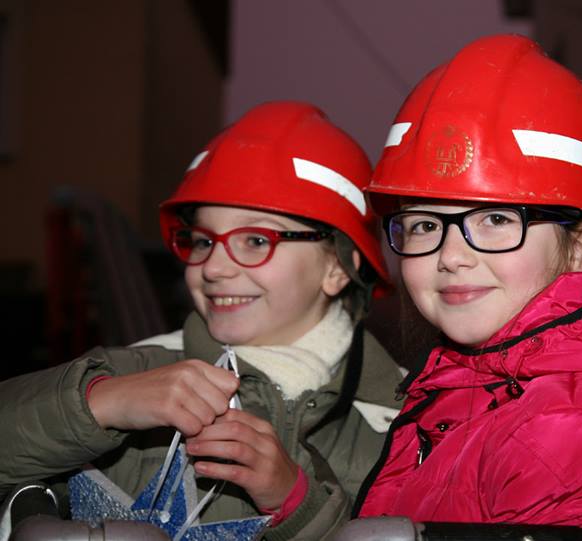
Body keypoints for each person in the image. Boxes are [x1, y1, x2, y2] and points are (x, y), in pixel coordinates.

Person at [353, 34, 582, 528]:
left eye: (496, 219)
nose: (450, 256)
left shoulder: (570, 435)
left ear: (580, 247)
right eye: (424, 224)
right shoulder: (476, 383)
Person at [0, 101, 404, 540]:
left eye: (255, 240)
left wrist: (298, 507)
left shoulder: (407, 418)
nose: (213, 267)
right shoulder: (131, 372)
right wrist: (99, 405)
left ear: (338, 267)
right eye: (202, 240)